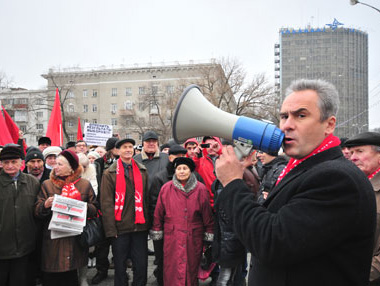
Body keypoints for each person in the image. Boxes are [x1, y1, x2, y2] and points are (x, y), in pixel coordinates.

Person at [214, 79, 376, 286]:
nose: (287, 125)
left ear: (329, 124)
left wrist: (233, 183)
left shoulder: (337, 179)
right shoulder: (306, 168)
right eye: (284, 116)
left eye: (301, 115)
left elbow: (272, 242)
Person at [35, 150, 97, 286]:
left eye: (60, 164)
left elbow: (95, 210)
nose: (55, 166)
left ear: (71, 167)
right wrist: (45, 205)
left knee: (70, 277)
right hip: (52, 241)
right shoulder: (47, 184)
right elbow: (37, 211)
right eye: (55, 163)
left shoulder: (84, 185)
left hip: (74, 242)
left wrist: (82, 206)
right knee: (51, 278)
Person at [151, 157, 214, 286]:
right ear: (174, 171)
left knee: (190, 267)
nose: (182, 171)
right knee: (172, 268)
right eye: (179, 169)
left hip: (193, 235)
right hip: (172, 235)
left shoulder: (201, 189)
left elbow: (207, 214)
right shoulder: (166, 188)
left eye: (185, 168)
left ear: (190, 171)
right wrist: (157, 231)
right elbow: (158, 213)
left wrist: (209, 232)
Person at [101, 138, 150, 286]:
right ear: (118, 151)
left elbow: (146, 198)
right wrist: (110, 229)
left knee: (141, 263)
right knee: (120, 265)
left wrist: (148, 222)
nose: (128, 150)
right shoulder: (109, 173)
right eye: (124, 147)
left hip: (140, 226)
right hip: (120, 227)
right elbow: (106, 203)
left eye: (131, 147)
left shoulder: (142, 170)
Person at [0, 145, 40, 286]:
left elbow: (37, 212)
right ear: (1, 163)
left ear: (21, 162)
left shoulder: (32, 182)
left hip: (25, 247)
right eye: (6, 162)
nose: (10, 166)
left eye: (13, 161)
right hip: (2, 247)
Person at [345, 132, 380, 285]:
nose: (352, 157)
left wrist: (360, 276)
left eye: (360, 151)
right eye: (351, 152)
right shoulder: (350, 184)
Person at [91, 137, 120, 285]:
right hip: (102, 208)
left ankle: (120, 272)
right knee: (102, 245)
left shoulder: (123, 163)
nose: (119, 150)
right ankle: (101, 270)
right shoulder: (98, 164)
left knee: (119, 244)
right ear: (110, 149)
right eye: (116, 147)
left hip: (119, 208)